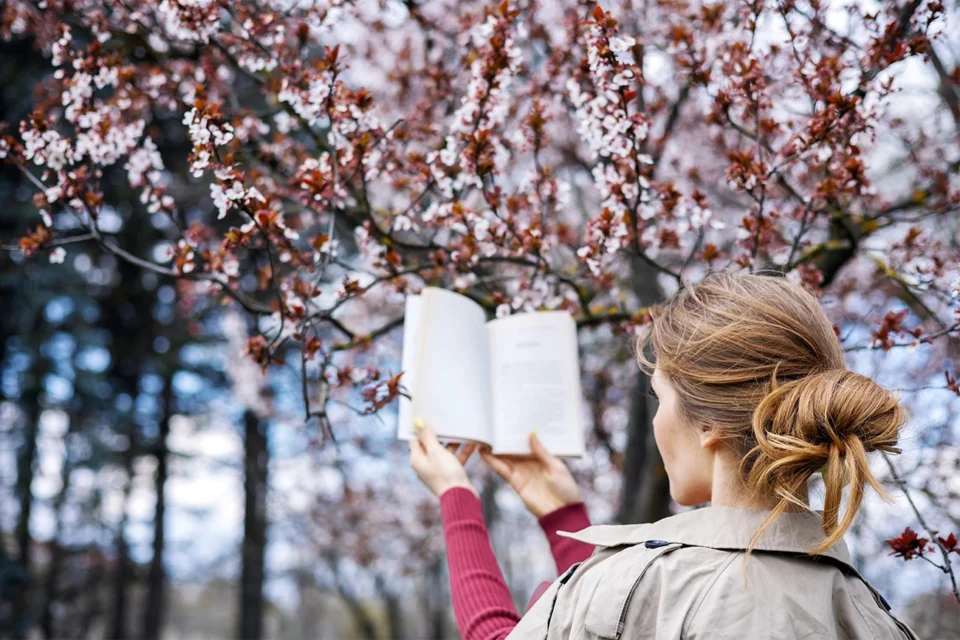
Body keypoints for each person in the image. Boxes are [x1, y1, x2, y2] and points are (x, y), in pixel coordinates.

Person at [409, 271, 919, 639]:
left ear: (710, 424)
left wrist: (458, 498)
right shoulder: (875, 616)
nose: (657, 421)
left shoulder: (642, 584)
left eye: (662, 398)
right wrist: (561, 517)